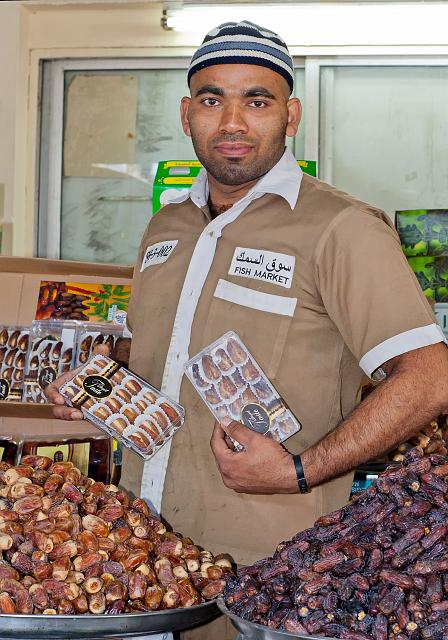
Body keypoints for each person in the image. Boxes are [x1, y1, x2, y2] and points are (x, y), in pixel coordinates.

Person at [46, 20, 448, 640]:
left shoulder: (341, 228)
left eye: (256, 100)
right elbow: (155, 348)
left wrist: (300, 471)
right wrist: (99, 382)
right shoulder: (165, 228)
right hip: (137, 564)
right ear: (186, 114)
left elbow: (429, 376)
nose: (232, 122)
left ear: (290, 116)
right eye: (212, 99)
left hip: (267, 582)